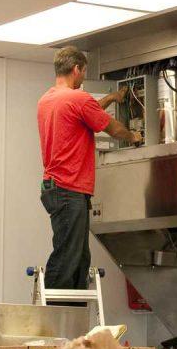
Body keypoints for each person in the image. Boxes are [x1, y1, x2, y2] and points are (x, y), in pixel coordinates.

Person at [37, 46, 141, 291]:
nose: (83, 77)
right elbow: (113, 129)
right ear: (76, 69)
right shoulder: (78, 99)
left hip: (57, 188)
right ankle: (53, 316)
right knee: (67, 256)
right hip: (68, 188)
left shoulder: (47, 100)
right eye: (83, 72)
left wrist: (111, 99)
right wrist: (134, 136)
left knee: (79, 258)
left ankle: (74, 316)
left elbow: (85, 112)